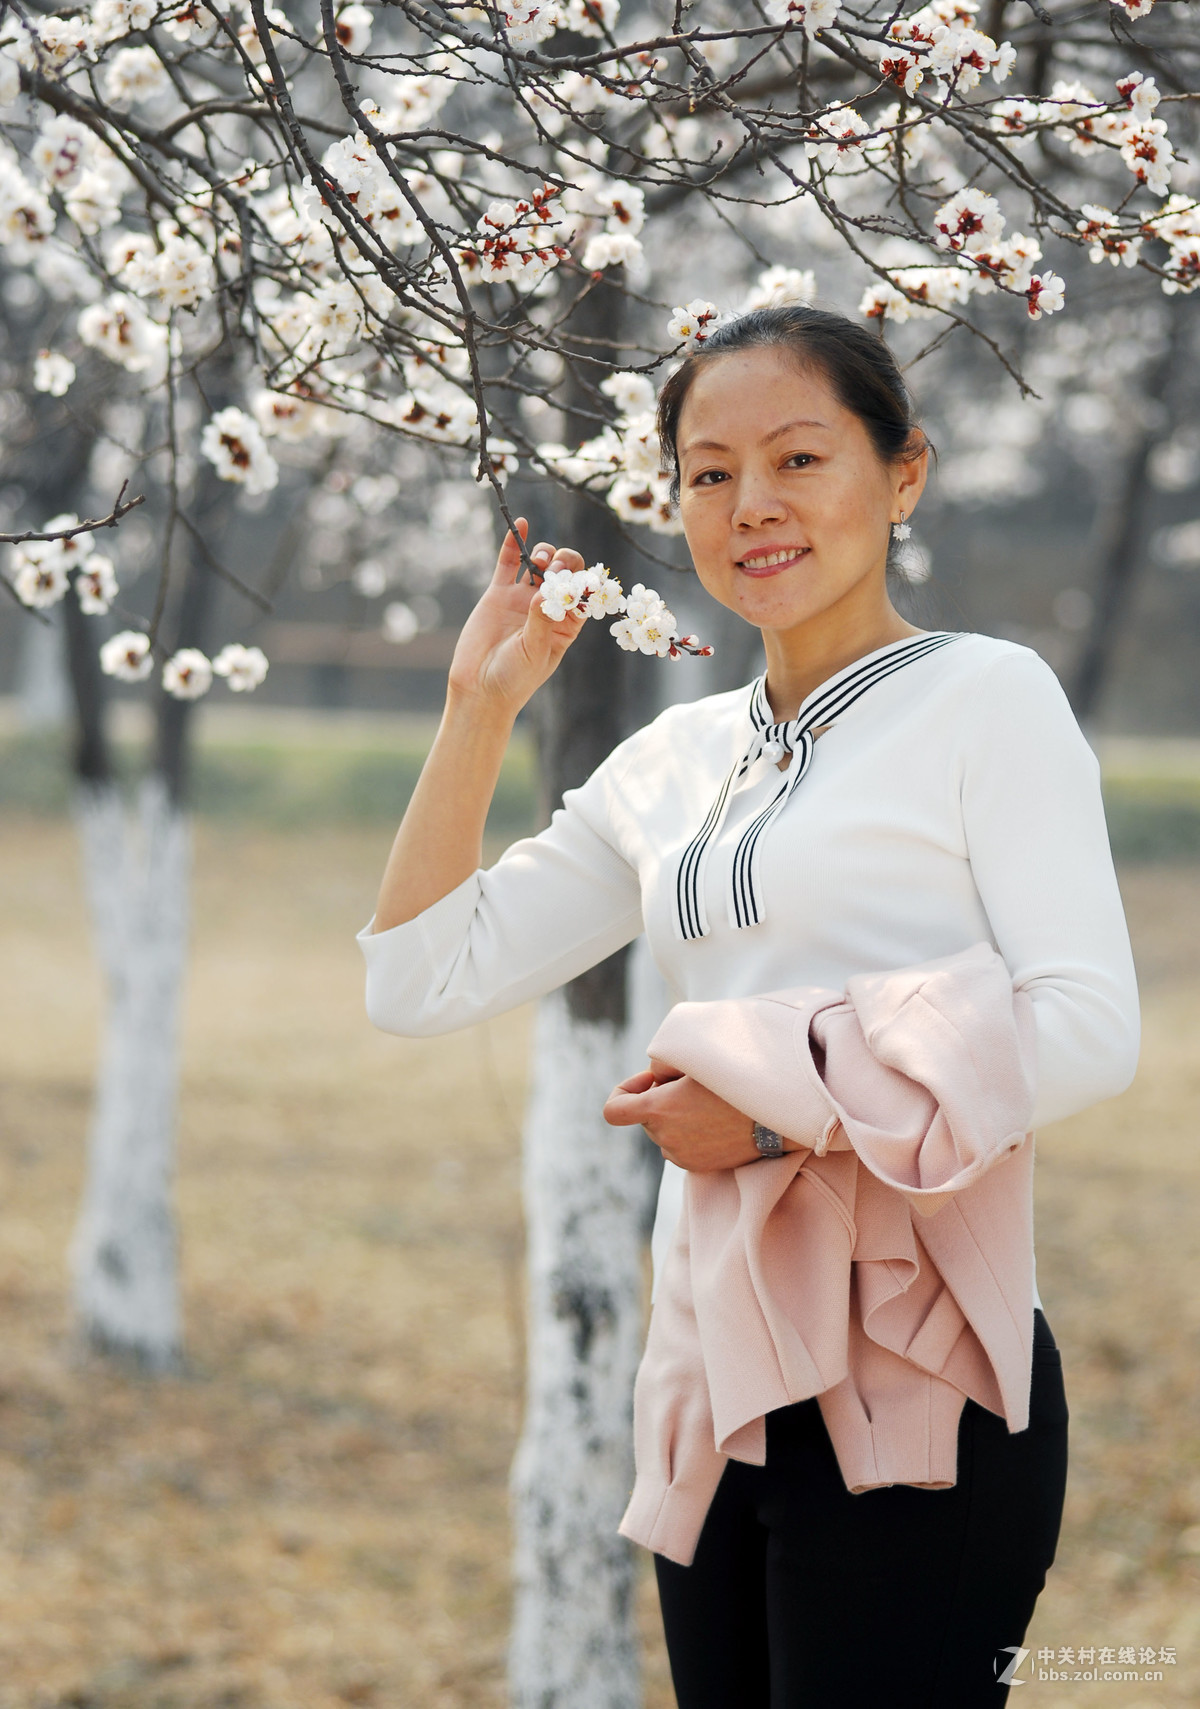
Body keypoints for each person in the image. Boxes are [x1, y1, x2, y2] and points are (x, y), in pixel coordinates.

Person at [358, 306, 1141, 1706]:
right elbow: (421, 981)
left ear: (904, 474)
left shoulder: (987, 701)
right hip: (718, 1380)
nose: (753, 505)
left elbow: (1085, 1024)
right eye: (710, 472)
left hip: (927, 1376)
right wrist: (480, 709)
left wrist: (781, 1116)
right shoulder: (673, 761)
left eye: (799, 457)